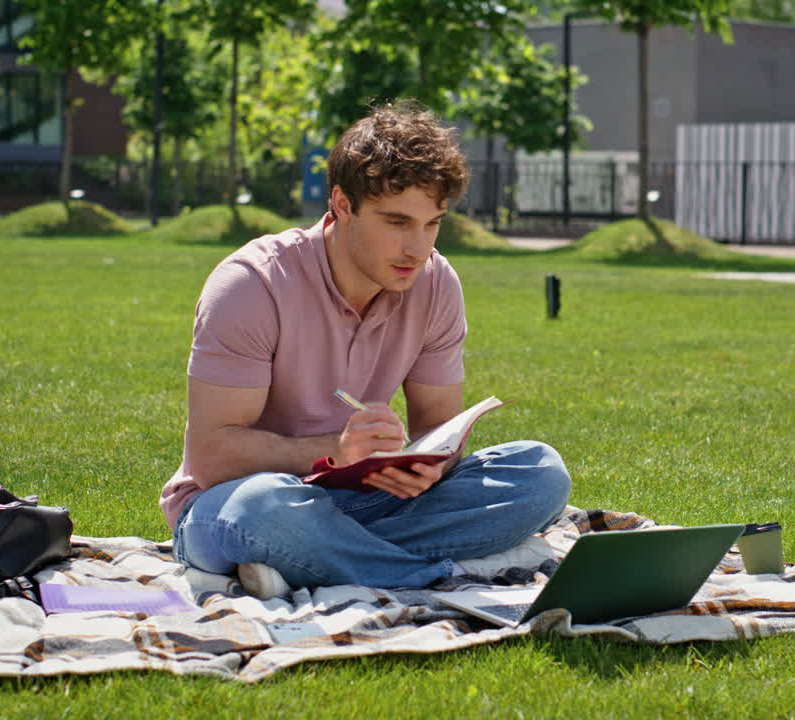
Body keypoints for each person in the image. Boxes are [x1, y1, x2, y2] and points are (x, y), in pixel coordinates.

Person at [159, 101, 571, 599]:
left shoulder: (435, 282)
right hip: (237, 501)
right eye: (397, 223)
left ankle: (314, 562)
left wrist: (424, 464)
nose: (417, 249)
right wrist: (333, 452)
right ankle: (429, 578)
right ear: (342, 204)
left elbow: (437, 429)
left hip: (366, 499)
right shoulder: (252, 285)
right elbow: (211, 458)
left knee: (538, 471)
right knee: (262, 509)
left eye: (431, 223)